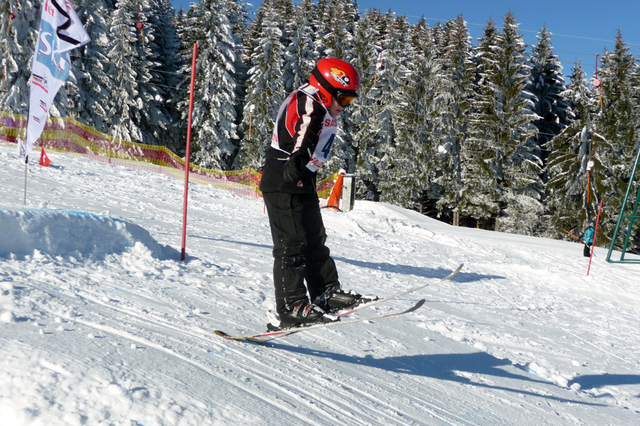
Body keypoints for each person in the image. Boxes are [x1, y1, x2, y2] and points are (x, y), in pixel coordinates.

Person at [259, 57, 376, 329]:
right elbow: (305, 131)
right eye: (343, 100)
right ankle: (291, 306)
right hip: (285, 176)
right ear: (326, 90)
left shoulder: (319, 104)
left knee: (314, 239)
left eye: (349, 102)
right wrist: (298, 161)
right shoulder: (310, 101)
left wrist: (303, 168)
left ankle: (326, 293)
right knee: (292, 245)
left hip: (303, 177)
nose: (343, 108)